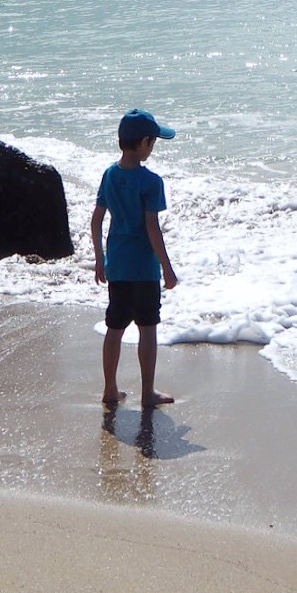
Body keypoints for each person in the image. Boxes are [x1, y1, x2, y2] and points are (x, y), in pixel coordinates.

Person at [91, 108, 181, 409]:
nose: (152, 148)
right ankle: (147, 393)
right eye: (153, 142)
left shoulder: (109, 175)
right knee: (147, 329)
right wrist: (167, 269)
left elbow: (96, 219)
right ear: (143, 142)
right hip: (143, 268)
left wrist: (99, 259)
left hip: (116, 264)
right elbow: (152, 227)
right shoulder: (151, 182)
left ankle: (110, 389)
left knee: (114, 328)